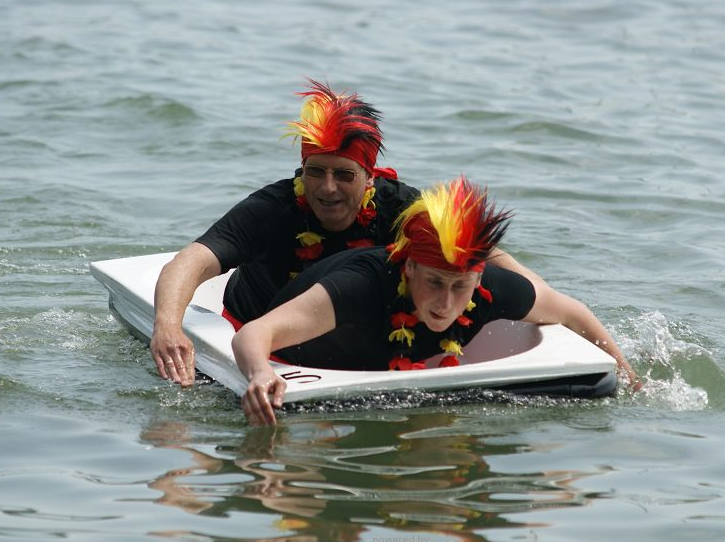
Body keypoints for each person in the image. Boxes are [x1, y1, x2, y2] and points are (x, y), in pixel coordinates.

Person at [150, 80, 547, 387]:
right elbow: (191, 261)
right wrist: (168, 326)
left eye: (344, 174)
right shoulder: (273, 208)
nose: (327, 188)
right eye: (315, 171)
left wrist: (547, 304)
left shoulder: (401, 207)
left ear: (369, 177)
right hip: (262, 335)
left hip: (363, 340)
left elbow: (487, 258)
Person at [233, 177, 640, 426]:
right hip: (305, 360)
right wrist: (259, 374)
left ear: (478, 278)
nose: (446, 302)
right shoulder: (360, 286)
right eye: (434, 282)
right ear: (408, 269)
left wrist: (626, 375)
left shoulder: (492, 289)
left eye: (460, 286)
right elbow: (255, 332)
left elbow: (573, 312)